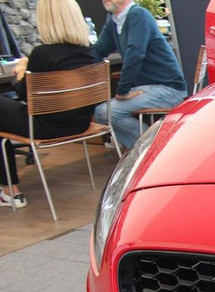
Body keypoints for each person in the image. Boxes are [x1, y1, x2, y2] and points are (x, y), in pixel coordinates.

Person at [0, 0, 99, 209]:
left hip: (46, 127)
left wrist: (21, 70)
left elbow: (25, 95)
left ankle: (11, 192)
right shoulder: (89, 52)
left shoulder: (42, 54)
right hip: (80, 124)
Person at [92, 0, 186, 148]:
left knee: (106, 113)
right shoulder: (115, 22)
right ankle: (151, 149)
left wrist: (122, 90)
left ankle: (153, 148)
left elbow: (135, 54)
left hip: (167, 89)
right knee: (102, 113)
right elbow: (97, 52)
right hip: (147, 88)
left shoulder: (138, 15)